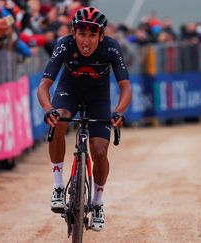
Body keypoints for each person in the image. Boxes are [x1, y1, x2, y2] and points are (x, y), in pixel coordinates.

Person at [37, 7, 131, 232]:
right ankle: (58, 186)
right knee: (59, 120)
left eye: (91, 35)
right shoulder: (64, 44)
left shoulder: (111, 48)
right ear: (73, 33)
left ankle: (97, 202)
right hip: (69, 92)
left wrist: (118, 111)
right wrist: (49, 108)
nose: (85, 41)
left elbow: (125, 87)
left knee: (99, 151)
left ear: (101, 36)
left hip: (98, 98)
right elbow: (44, 85)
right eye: (81, 34)